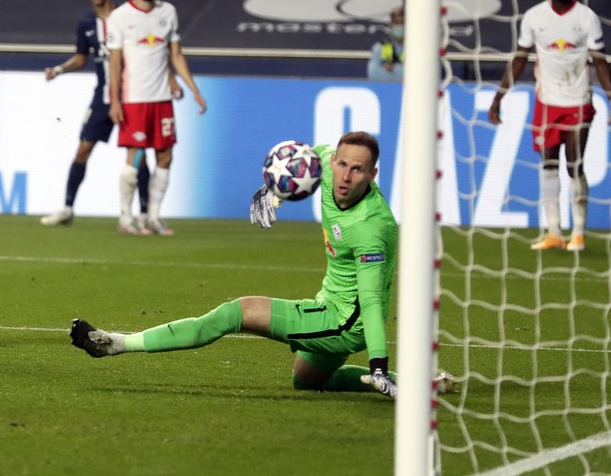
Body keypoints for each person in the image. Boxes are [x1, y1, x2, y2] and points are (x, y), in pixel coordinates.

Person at [71, 131, 439, 398]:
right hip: (329, 301)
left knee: (234, 313)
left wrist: (377, 361)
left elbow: (373, 302)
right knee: (307, 382)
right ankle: (417, 385)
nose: (345, 176)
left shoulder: (373, 228)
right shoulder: (323, 163)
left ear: (372, 175)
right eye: (341, 164)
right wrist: (272, 191)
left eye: (357, 170)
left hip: (343, 321)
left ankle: (116, 344)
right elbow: (293, 165)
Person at [488, 0, 611, 252]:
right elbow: (520, 57)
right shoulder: (535, 17)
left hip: (578, 100)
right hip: (547, 103)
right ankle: (554, 232)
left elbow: (600, 61)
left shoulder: (586, 18)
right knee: (548, 166)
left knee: (575, 165)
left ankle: (579, 233)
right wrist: (499, 96)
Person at [40, 0, 159, 228]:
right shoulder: (86, 24)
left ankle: (145, 213)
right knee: (84, 148)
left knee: (137, 153)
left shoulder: (128, 18)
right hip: (102, 98)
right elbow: (81, 58)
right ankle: (67, 208)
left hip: (131, 97)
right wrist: (59, 69)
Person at [107, 0, 207, 236]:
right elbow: (115, 62)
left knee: (165, 156)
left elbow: (174, 53)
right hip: (134, 98)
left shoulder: (168, 12)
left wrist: (194, 89)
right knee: (135, 157)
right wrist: (115, 100)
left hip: (162, 98)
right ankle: (126, 217)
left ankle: (152, 217)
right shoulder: (121, 16)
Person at [367, 6, 405, 81]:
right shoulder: (384, 47)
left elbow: (419, 75)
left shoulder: (416, 49)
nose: (399, 27)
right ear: (390, 25)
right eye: (396, 23)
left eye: (402, 23)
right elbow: (374, 74)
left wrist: (394, 68)